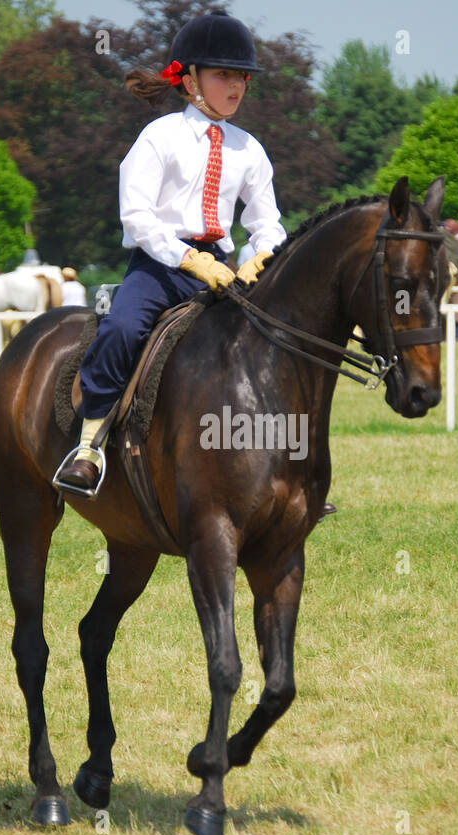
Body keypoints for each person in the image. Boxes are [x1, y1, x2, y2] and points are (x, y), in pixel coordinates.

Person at [55, 11, 286, 495]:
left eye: (242, 76)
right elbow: (137, 217)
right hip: (159, 267)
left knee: (275, 340)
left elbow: (266, 223)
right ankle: (90, 444)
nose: (237, 86)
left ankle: (284, 464)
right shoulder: (159, 137)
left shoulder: (251, 150)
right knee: (121, 328)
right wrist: (189, 258)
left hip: (222, 269)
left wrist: (259, 256)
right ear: (190, 81)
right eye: (224, 74)